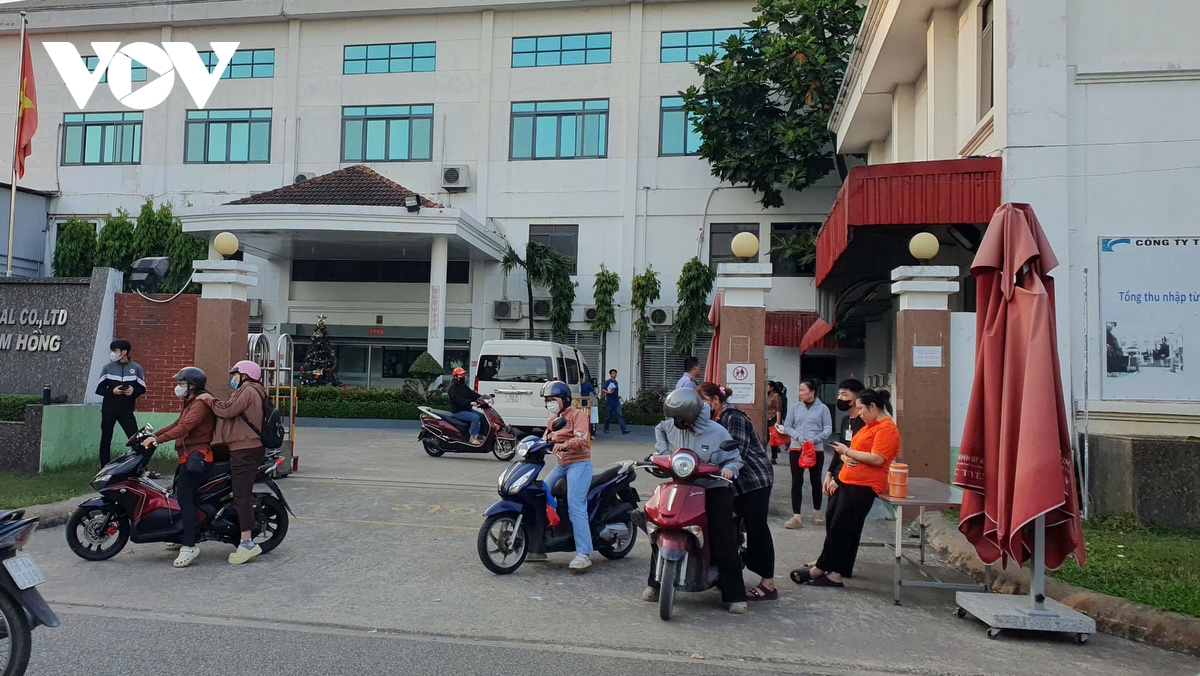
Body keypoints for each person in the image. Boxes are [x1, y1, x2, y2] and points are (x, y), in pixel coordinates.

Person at [645, 388, 747, 614]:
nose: (674, 422)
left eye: (678, 417)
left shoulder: (717, 432)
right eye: (673, 417)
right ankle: (655, 583)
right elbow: (660, 428)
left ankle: (734, 595)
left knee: (722, 534)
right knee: (661, 524)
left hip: (712, 486)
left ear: (690, 414)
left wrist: (729, 469)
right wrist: (663, 453)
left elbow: (735, 459)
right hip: (681, 485)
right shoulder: (671, 426)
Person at [791, 388, 900, 588]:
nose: (859, 413)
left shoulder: (886, 428)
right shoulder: (870, 425)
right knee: (837, 525)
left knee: (842, 528)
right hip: (848, 481)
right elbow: (857, 451)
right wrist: (845, 456)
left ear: (873, 406)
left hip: (863, 485)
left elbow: (877, 458)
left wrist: (847, 452)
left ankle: (824, 570)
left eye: (861, 409)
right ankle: (832, 569)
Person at [697, 382, 777, 602]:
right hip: (728, 483)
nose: (701, 408)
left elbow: (736, 451)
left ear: (716, 400)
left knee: (756, 528)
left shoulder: (733, 416)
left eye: (704, 402)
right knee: (726, 527)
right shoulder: (711, 421)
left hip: (753, 480)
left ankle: (768, 583)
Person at [143, 367, 215, 568]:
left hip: (197, 456)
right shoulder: (191, 402)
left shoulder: (200, 404)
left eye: (182, 384)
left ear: (193, 385)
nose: (179, 387)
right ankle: (180, 534)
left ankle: (189, 545)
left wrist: (158, 440)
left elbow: (184, 428)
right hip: (187, 456)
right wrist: (153, 435)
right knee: (177, 494)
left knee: (184, 499)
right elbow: (177, 423)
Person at [212, 360, 269, 565]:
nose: (233, 378)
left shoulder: (248, 390)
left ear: (244, 375)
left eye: (235, 375)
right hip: (243, 448)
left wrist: (209, 400)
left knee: (241, 496)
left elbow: (227, 410)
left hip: (244, 450)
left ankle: (247, 544)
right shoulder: (254, 390)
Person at [540, 380, 594, 572]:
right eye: (547, 400)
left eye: (552, 399)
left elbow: (581, 438)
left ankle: (584, 554)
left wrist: (565, 445)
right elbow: (545, 437)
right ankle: (538, 545)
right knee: (540, 493)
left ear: (565, 399)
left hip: (579, 463)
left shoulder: (578, 415)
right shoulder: (554, 419)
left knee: (575, 504)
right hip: (561, 464)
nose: (549, 403)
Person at [779, 379, 832, 529]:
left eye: (803, 390)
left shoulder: (823, 409)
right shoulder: (795, 407)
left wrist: (814, 439)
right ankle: (796, 516)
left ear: (812, 392)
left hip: (816, 449)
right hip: (797, 449)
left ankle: (817, 512)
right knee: (797, 481)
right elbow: (787, 426)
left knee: (816, 480)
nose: (800, 393)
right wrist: (800, 438)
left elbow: (828, 428)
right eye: (800, 390)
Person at [95, 339, 146, 468]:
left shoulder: (136, 368)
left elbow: (142, 388)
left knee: (135, 439)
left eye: (115, 350)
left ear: (124, 352)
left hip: (126, 411)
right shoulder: (107, 368)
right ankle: (104, 468)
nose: (113, 353)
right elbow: (99, 389)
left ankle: (141, 468)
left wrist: (133, 391)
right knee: (106, 439)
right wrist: (113, 391)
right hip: (109, 410)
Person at [447, 367, 486, 445]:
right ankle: (472, 438)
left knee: (482, 416)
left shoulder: (463, 386)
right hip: (458, 411)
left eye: (463, 375)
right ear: (455, 376)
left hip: (466, 409)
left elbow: (472, 394)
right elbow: (458, 400)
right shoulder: (452, 388)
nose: (463, 376)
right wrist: (470, 403)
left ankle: (480, 434)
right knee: (475, 417)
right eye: (460, 375)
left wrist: (483, 397)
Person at [601, 369, 629, 434]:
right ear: (610, 374)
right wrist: (608, 392)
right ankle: (606, 428)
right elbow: (603, 389)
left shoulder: (616, 382)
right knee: (608, 416)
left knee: (620, 415)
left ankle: (624, 429)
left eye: (615, 373)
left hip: (616, 401)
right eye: (613, 373)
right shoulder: (608, 382)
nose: (614, 374)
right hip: (609, 401)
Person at [766, 381, 785, 464]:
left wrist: (778, 422)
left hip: (773, 419)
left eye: (767, 386)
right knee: (765, 438)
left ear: (772, 388)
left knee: (773, 439)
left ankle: (773, 457)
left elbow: (778, 409)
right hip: (766, 419)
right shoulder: (766, 396)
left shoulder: (776, 396)